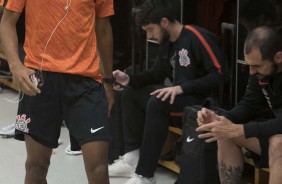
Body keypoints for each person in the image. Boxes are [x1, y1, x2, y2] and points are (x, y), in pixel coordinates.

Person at [0, 1, 115, 184]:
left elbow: (103, 27)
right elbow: (7, 22)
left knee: (99, 168)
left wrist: (108, 81)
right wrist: (15, 66)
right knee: (36, 167)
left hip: (86, 82)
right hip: (39, 81)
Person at [109, 0, 223, 183]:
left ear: (164, 22)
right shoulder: (168, 42)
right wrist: (130, 79)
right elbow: (158, 73)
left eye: (150, 30)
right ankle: (132, 157)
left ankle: (145, 175)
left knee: (158, 102)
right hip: (179, 99)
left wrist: (181, 88)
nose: (149, 36)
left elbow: (219, 75)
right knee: (129, 93)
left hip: (200, 106)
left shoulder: (196, 36)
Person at [197, 26, 282, 184]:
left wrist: (241, 129)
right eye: (249, 65)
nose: (251, 72)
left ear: (278, 57)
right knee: (225, 130)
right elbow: (249, 104)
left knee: (278, 143)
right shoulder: (260, 72)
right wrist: (220, 118)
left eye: (257, 66)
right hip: (274, 133)